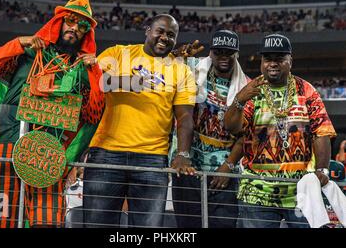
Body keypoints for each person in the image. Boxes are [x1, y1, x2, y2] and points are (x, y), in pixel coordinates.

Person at [0, 0, 104, 228]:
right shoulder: (27, 53)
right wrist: (18, 43)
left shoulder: (81, 69)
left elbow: (93, 115)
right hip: (8, 142)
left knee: (46, 221)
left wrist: (94, 72)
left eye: (83, 25)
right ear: (59, 21)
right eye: (71, 20)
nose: (75, 28)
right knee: (0, 219)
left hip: (49, 151)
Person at [82, 14, 197, 228]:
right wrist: (131, 82)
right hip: (106, 154)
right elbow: (93, 83)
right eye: (160, 31)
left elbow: (185, 116)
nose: (165, 37)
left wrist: (182, 154)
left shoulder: (182, 70)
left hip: (152, 160)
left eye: (171, 35)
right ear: (147, 31)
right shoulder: (118, 53)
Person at [224, 33, 336, 228]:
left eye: (279, 59)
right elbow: (233, 129)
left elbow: (322, 131)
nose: (273, 64)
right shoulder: (251, 90)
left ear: (290, 61)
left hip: (300, 192)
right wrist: (240, 100)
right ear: (261, 61)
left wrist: (322, 169)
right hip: (257, 192)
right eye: (268, 59)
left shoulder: (306, 90)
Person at [169, 30, 249, 228]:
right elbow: (162, 73)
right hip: (187, 167)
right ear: (211, 52)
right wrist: (176, 57)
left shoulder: (245, 85)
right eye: (218, 51)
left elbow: (247, 134)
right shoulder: (192, 68)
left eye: (228, 53)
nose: (223, 56)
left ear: (236, 54)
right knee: (187, 227)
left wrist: (228, 166)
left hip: (223, 173)